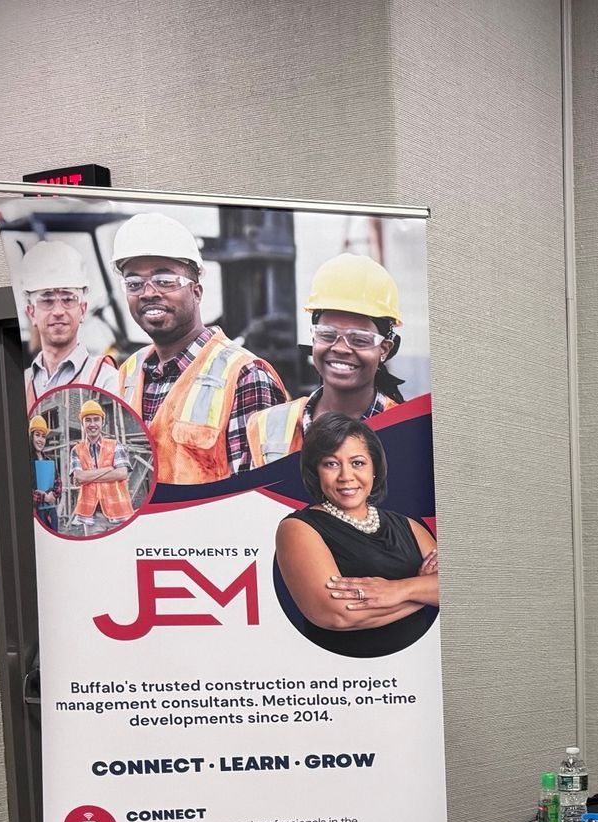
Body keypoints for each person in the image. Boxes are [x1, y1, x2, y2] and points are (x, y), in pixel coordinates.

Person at [109, 211, 287, 485]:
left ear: (197, 292)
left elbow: (257, 498)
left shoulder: (245, 377)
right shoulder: (128, 373)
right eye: (134, 283)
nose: (148, 292)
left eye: (165, 280)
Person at [274, 412, 438, 658]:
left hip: (413, 677)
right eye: (331, 463)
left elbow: (455, 590)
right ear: (316, 472)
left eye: (358, 463)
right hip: (346, 681)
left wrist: (397, 590)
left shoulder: (408, 526)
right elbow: (339, 614)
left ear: (374, 469)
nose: (346, 476)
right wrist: (421, 591)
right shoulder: (298, 528)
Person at [241, 254, 406, 469]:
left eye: (359, 339)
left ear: (384, 349)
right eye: (327, 335)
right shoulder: (268, 426)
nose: (340, 348)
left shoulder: (406, 431)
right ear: (313, 338)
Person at [19, 240, 120, 405]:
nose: (58, 311)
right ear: (32, 313)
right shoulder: (20, 384)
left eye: (68, 299)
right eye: (47, 300)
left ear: (83, 310)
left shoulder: (107, 382)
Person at [67, 399, 136, 529]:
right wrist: (109, 469)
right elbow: (79, 477)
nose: (92, 424)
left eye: (96, 419)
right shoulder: (76, 450)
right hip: (90, 516)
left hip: (119, 513)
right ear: (82, 423)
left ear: (102, 422)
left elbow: (122, 473)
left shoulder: (115, 445)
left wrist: (88, 476)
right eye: (88, 420)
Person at [29, 415, 60, 529]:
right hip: (35, 514)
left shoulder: (49, 461)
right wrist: (43, 497)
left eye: (43, 436)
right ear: (31, 436)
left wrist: (54, 495)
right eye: (37, 435)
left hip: (50, 513)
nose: (40, 440)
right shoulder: (26, 461)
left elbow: (58, 483)